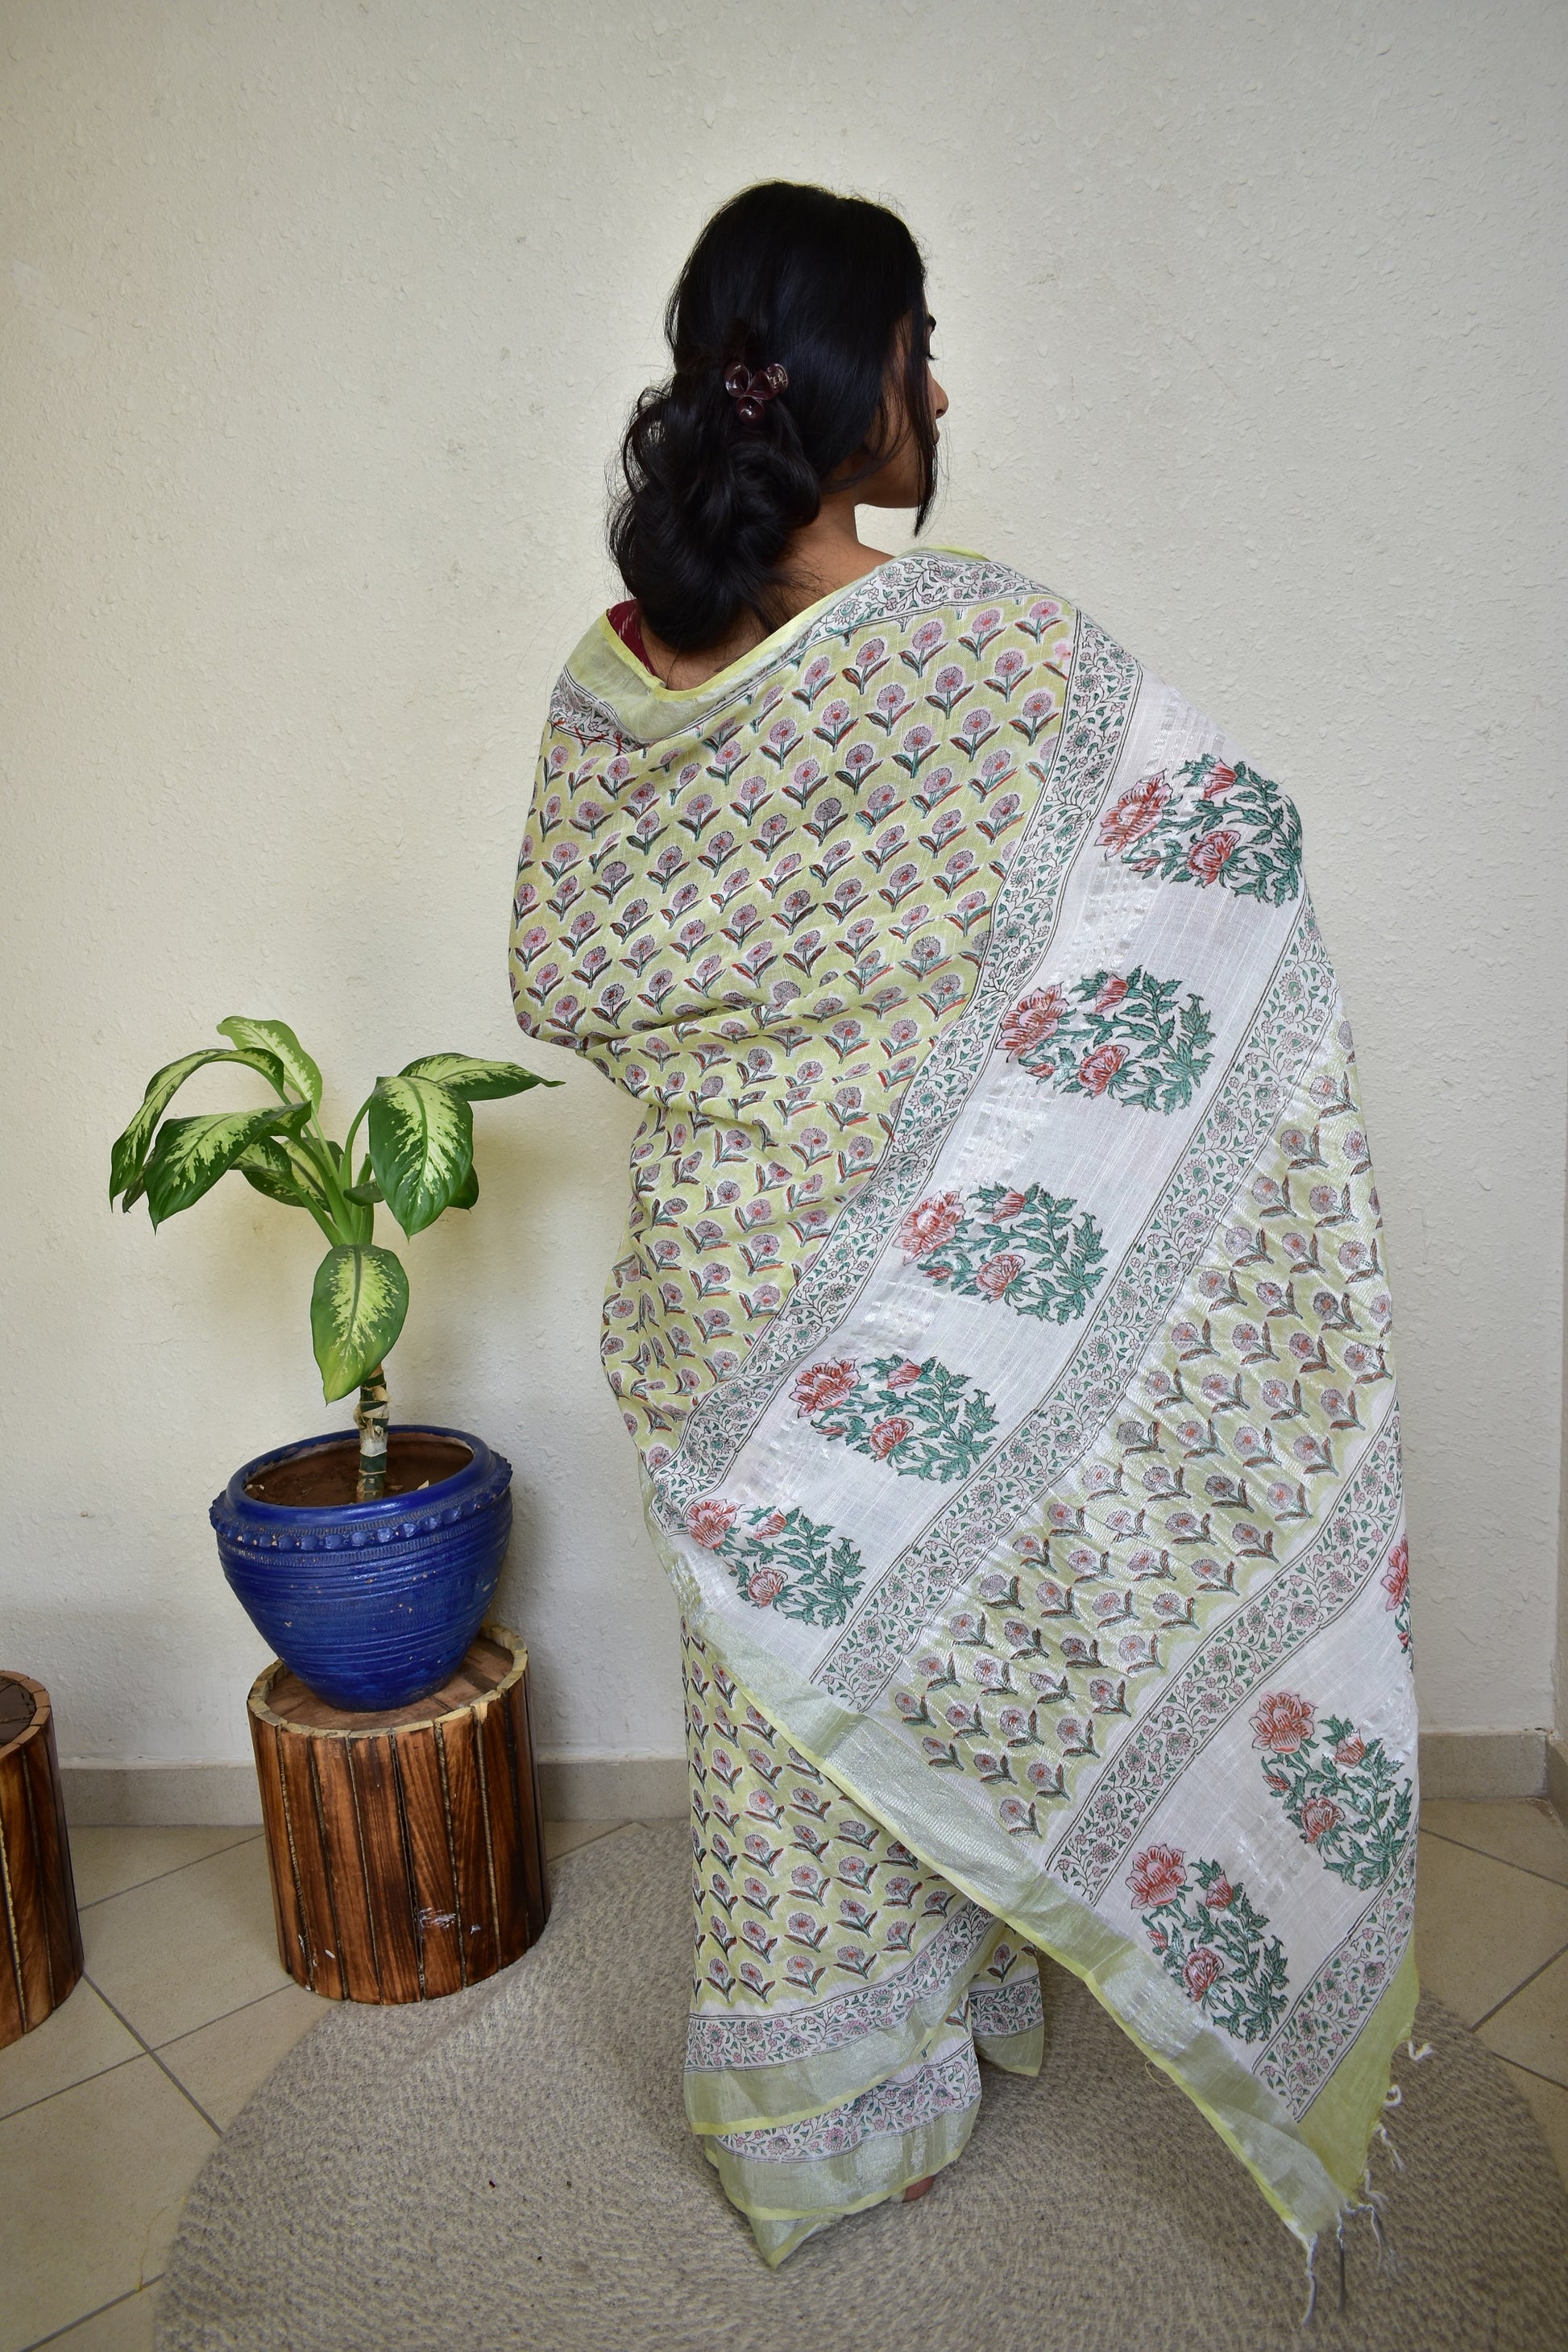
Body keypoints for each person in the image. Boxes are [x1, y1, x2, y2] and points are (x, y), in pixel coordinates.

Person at [511, 180, 1417, 2278]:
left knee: (787, 1704)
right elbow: (1223, 839)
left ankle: (829, 2114)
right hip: (916, 1291)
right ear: (848, 390)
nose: (941, 388)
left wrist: (794, 1026)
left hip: (726, 1286)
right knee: (928, 1626)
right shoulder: (982, 654)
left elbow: (556, 970)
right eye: (919, 348)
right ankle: (888, 2075)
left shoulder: (614, 675)